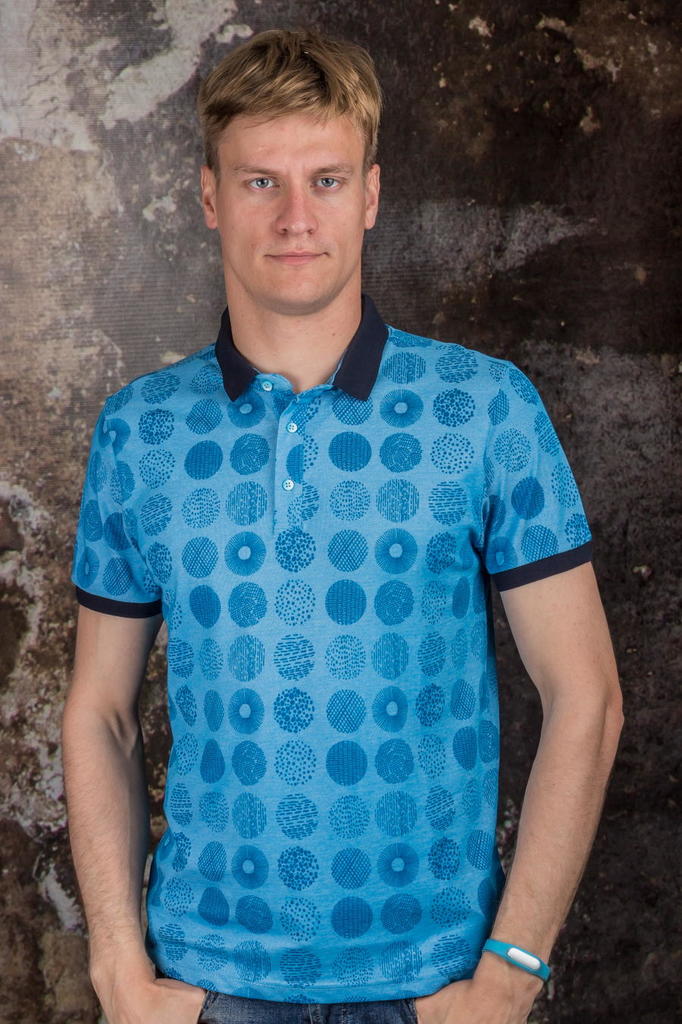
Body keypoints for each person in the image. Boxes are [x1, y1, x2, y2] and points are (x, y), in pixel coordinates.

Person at [61, 26, 624, 1024]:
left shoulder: (484, 409)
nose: (294, 217)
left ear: (369, 195)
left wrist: (510, 973)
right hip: (206, 987)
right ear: (208, 196)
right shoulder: (140, 430)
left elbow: (586, 696)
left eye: (324, 180)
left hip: (433, 986)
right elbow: (100, 712)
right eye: (259, 182)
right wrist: (116, 964)